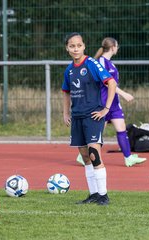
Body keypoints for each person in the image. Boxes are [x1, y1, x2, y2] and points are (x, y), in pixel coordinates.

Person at [62, 32, 117, 205]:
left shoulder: (92, 64)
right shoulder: (69, 69)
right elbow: (66, 92)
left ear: (84, 46)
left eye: (79, 45)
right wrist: (65, 113)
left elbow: (112, 83)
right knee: (85, 156)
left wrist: (106, 109)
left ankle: (103, 195)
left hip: (93, 115)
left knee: (94, 154)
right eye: (72, 46)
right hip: (77, 117)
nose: (75, 48)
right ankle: (93, 194)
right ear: (67, 48)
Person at [92, 37, 146, 167]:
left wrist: (119, 96)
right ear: (113, 47)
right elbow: (107, 84)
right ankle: (85, 155)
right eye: (117, 46)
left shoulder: (111, 64)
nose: (118, 48)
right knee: (98, 133)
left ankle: (128, 158)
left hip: (114, 104)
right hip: (103, 103)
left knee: (121, 128)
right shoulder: (100, 62)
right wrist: (124, 93)